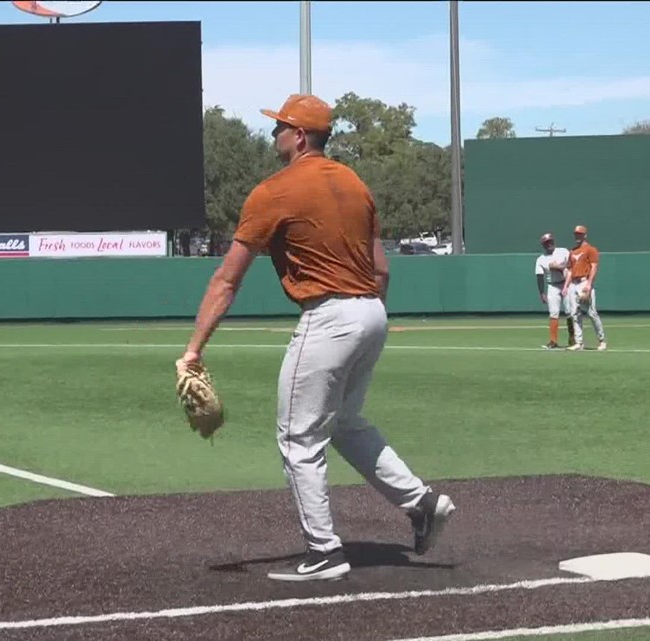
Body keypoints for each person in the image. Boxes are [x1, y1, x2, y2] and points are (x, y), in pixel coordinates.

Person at [178, 94, 456, 583]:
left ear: (300, 136)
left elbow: (227, 280)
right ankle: (422, 503)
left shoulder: (276, 191)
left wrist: (194, 349)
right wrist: (366, 320)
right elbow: (381, 269)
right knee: (345, 422)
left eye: (280, 127)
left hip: (328, 316)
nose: (273, 134)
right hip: (371, 312)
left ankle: (325, 551)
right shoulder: (355, 184)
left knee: (298, 437)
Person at [561, 225, 607, 351]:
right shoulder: (572, 251)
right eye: (576, 234)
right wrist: (565, 286)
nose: (577, 236)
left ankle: (602, 340)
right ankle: (579, 342)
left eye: (580, 234)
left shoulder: (590, 249)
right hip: (573, 284)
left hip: (584, 282)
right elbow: (570, 270)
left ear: (585, 235)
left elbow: (594, 267)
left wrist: (589, 284)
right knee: (575, 314)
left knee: (591, 313)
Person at [535, 233, 577, 349]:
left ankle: (572, 338)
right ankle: (553, 341)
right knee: (553, 313)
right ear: (543, 245)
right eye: (547, 243)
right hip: (552, 286)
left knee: (569, 311)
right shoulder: (541, 259)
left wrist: (560, 267)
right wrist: (541, 292)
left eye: (551, 241)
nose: (550, 244)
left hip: (565, 284)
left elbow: (572, 263)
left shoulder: (563, 251)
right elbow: (539, 276)